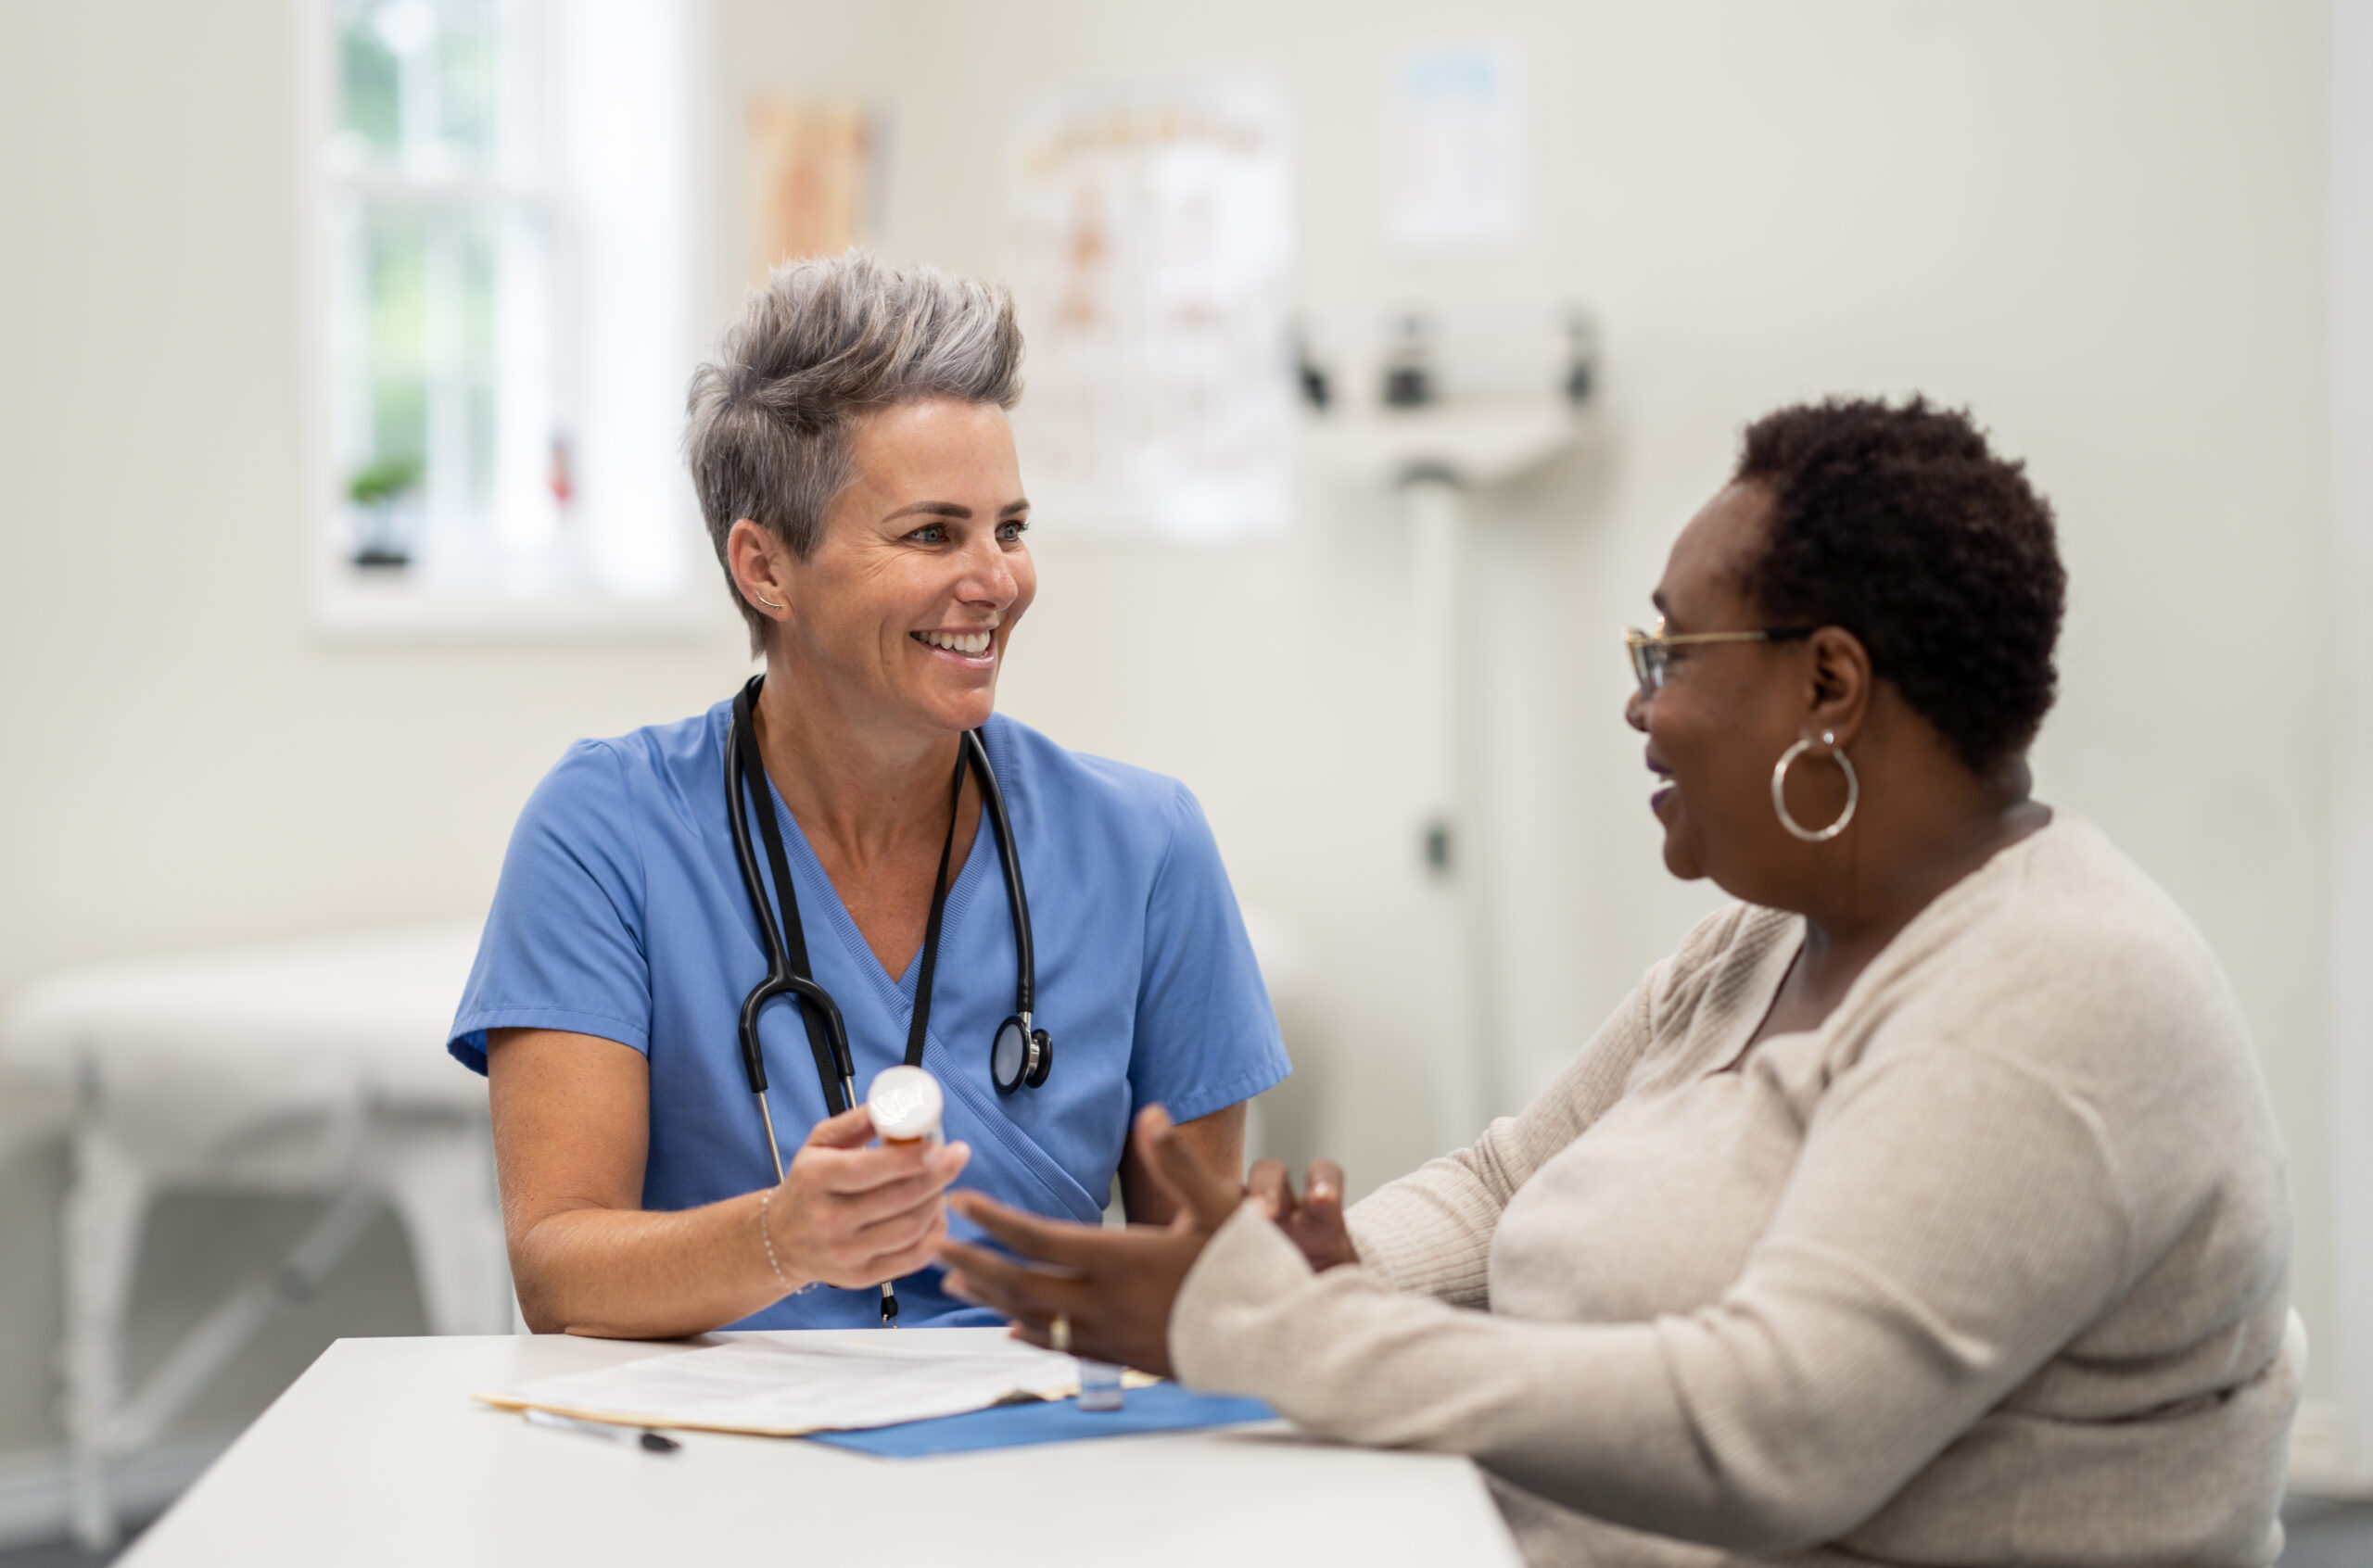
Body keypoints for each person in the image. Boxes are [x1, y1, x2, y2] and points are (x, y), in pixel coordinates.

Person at [938, 398, 2298, 1567]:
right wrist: (1336, 1259)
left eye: (1671, 657)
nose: (1639, 709)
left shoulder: (2057, 998)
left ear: (1830, 684)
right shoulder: (1778, 936)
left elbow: (1766, 1433)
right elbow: (1504, 1183)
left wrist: (1267, 1331)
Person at [449, 254, 1288, 1338]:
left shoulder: (1142, 846)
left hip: (1034, 1465)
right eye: (933, 533)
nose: (996, 579)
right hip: (710, 1467)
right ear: (764, 569)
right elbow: (559, 1271)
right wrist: (784, 1239)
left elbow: (1192, 1281)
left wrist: (1267, 1274)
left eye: (1011, 527)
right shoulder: (605, 832)